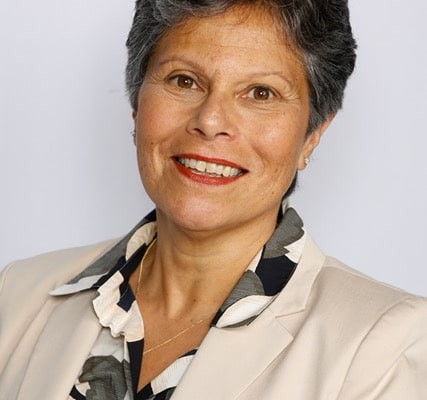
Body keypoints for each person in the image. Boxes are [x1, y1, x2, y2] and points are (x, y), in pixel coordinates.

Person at [0, 0, 426, 399]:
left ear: (312, 134)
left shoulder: (385, 347)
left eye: (261, 93)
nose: (210, 121)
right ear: (137, 104)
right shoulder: (18, 294)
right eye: (184, 80)